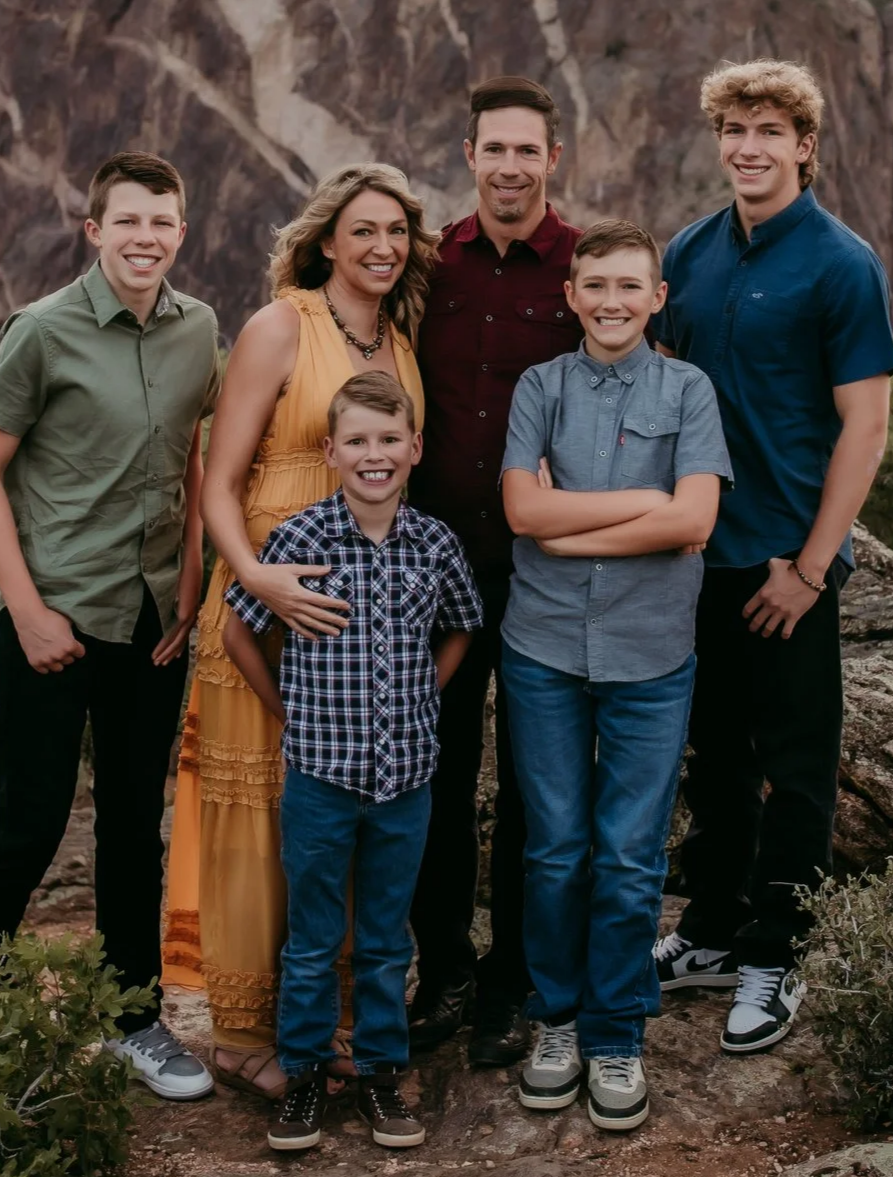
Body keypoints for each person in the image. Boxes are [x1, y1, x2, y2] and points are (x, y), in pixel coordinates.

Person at [161, 163, 440, 1100]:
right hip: (263, 601)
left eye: (396, 232)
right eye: (363, 230)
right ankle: (245, 1037)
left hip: (355, 624)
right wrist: (254, 576)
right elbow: (218, 480)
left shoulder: (400, 342)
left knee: (338, 825)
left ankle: (336, 1024)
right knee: (259, 819)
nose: (382, 247)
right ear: (326, 241)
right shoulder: (282, 326)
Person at [0, 152, 221, 1101]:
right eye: (129, 221)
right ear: (95, 230)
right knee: (28, 824)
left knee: (132, 828)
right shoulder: (42, 331)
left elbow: (191, 451)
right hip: (57, 614)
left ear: (180, 233)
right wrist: (25, 611)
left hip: (151, 621)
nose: (146, 238)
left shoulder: (199, 330)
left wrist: (191, 574)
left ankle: (133, 1021)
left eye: (162, 222)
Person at [650, 60, 893, 1054]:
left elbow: (866, 428)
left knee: (795, 769)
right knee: (714, 759)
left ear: (804, 145)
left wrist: (809, 568)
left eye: (768, 130)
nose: (748, 147)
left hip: (785, 563)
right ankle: (712, 931)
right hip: (697, 556)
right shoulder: (690, 251)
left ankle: (776, 953)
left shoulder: (841, 264)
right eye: (735, 129)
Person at [497, 220, 730, 1130]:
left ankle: (615, 1035)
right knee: (555, 851)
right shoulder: (540, 387)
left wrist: (570, 522)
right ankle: (556, 1022)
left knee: (630, 859)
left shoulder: (688, 389)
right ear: (570, 295)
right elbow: (522, 512)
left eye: (629, 286)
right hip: (543, 649)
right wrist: (642, 501)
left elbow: (694, 522)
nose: (610, 302)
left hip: (650, 653)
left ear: (656, 297)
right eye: (594, 285)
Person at [221, 371, 483, 1151]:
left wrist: (426, 693)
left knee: (383, 938)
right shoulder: (301, 539)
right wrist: (285, 711)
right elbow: (238, 631)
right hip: (320, 779)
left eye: (389, 440)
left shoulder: (433, 543)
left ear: (414, 448)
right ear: (331, 451)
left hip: (405, 781)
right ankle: (303, 1074)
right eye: (358, 441)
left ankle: (378, 1073)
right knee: (311, 937)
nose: (375, 455)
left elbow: (462, 624)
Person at [407, 75, 585, 1066]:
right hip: (434, 570)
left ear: (552, 159)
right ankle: (443, 971)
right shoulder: (429, 266)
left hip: (544, 573)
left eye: (528, 150)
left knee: (533, 787)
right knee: (433, 776)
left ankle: (514, 982)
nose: (510, 166)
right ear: (468, 155)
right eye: (494, 149)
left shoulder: (584, 268)